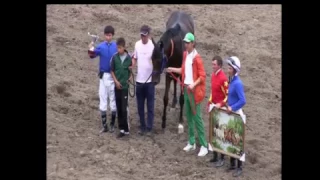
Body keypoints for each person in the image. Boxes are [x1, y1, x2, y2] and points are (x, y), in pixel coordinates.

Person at [167, 32, 208, 157]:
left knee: (197, 119)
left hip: (194, 92)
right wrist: (172, 69)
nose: (185, 45)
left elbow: (202, 76)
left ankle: (204, 145)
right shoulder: (185, 55)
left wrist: (193, 85)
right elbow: (183, 70)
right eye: (185, 42)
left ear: (193, 43)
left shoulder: (197, 59)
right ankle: (191, 142)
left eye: (188, 43)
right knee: (189, 117)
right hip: (186, 89)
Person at [219, 56, 246, 177]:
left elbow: (243, 100)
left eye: (229, 68)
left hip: (236, 113)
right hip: (231, 112)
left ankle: (239, 166)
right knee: (230, 138)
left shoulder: (238, 83)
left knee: (237, 141)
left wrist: (232, 107)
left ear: (234, 70)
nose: (227, 69)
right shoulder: (232, 81)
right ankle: (232, 164)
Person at [88, 25, 118, 133]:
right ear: (105, 35)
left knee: (113, 100)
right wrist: (91, 44)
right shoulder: (101, 46)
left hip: (113, 76)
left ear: (112, 35)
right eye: (107, 35)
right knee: (103, 99)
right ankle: (105, 125)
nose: (108, 37)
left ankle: (112, 125)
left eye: (110, 35)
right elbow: (91, 55)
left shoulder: (116, 46)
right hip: (103, 77)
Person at [131, 25, 156, 135]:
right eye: (141, 35)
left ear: (149, 35)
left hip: (150, 81)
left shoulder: (153, 46)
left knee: (150, 106)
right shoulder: (137, 44)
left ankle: (149, 127)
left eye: (145, 36)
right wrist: (131, 65)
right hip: (139, 80)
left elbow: (157, 60)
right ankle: (142, 126)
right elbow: (135, 58)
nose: (143, 38)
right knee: (140, 106)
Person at [206, 56, 229, 165]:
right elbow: (213, 92)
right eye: (212, 64)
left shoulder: (223, 78)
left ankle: (222, 158)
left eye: (214, 64)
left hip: (221, 108)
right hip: (214, 107)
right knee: (214, 132)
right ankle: (215, 156)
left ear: (219, 65)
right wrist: (209, 103)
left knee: (221, 134)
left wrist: (220, 104)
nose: (213, 66)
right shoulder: (213, 76)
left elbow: (227, 96)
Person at [110, 37, 132, 138]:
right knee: (119, 107)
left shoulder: (129, 58)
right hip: (117, 86)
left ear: (124, 47)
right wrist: (115, 81)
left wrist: (130, 78)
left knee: (124, 108)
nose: (118, 50)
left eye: (120, 48)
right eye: (117, 48)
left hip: (125, 87)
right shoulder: (114, 58)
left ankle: (125, 128)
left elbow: (131, 72)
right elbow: (112, 71)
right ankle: (122, 128)